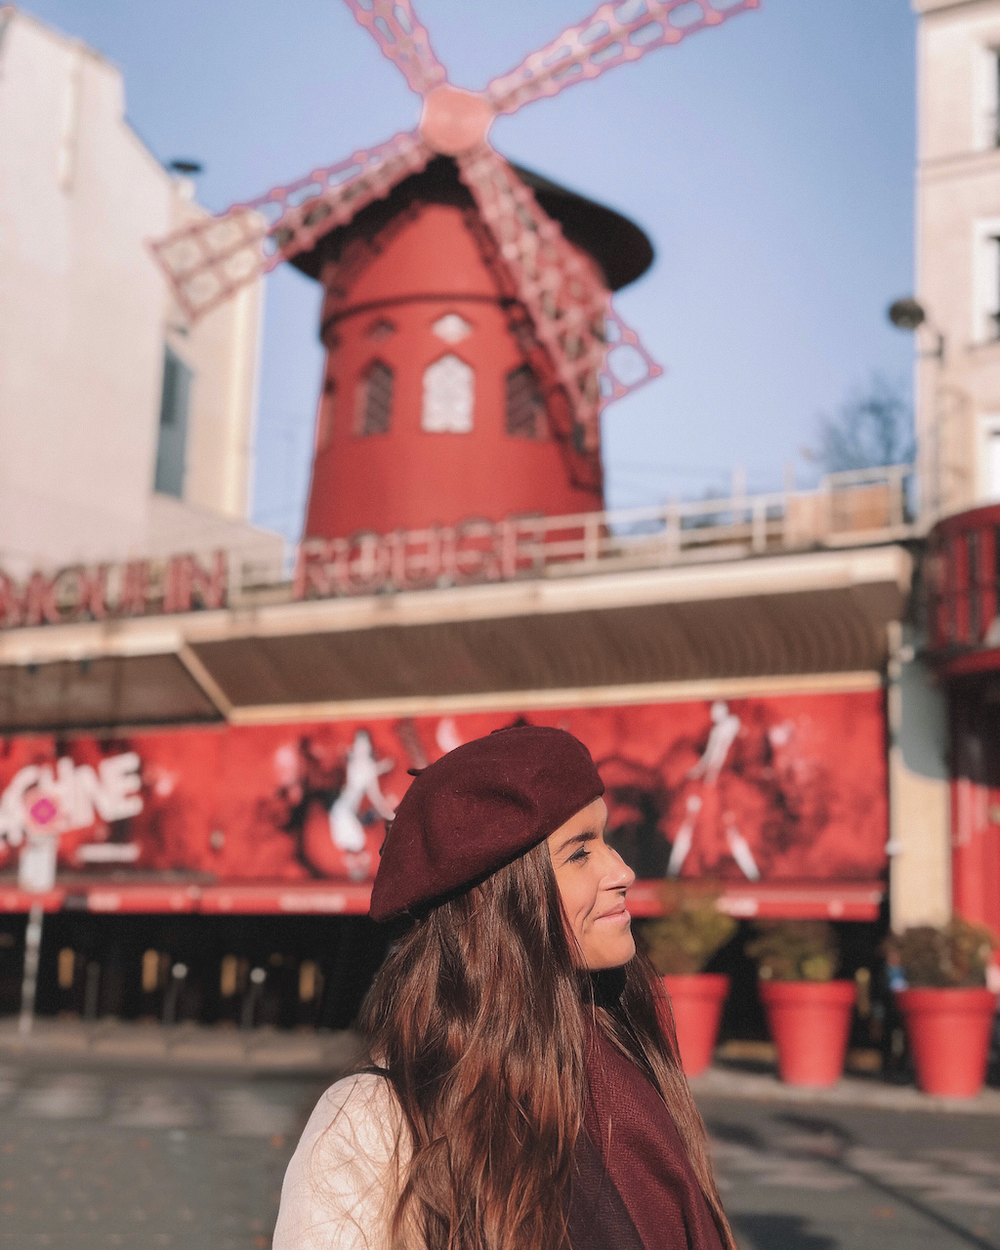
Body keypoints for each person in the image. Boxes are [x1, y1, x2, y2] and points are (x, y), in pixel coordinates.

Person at [273, 725, 735, 1250]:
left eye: (608, 840)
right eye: (579, 853)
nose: (624, 871)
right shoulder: (374, 1123)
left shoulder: (630, 1061)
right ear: (500, 905)